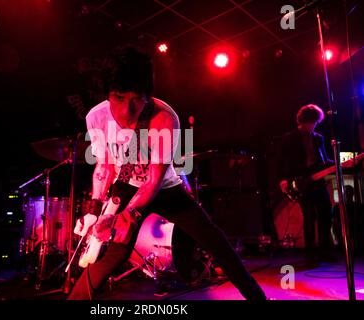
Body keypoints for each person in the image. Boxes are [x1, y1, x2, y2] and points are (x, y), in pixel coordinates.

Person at [67, 46, 266, 300]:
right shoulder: (96, 117)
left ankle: (257, 298)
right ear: (107, 94)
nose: (126, 110)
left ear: (147, 96)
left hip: (165, 189)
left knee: (215, 242)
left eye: (136, 99)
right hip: (126, 185)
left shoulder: (164, 118)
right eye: (118, 97)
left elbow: (153, 180)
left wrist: (129, 216)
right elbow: (104, 166)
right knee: (114, 254)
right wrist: (94, 210)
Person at [278, 104, 335, 262]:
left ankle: (325, 251)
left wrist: (338, 162)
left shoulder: (318, 138)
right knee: (309, 216)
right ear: (303, 121)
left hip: (318, 181)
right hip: (302, 182)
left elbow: (323, 160)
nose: (314, 125)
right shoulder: (290, 138)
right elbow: (283, 161)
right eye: (311, 122)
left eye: (315, 122)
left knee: (326, 214)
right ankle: (310, 253)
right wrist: (284, 179)